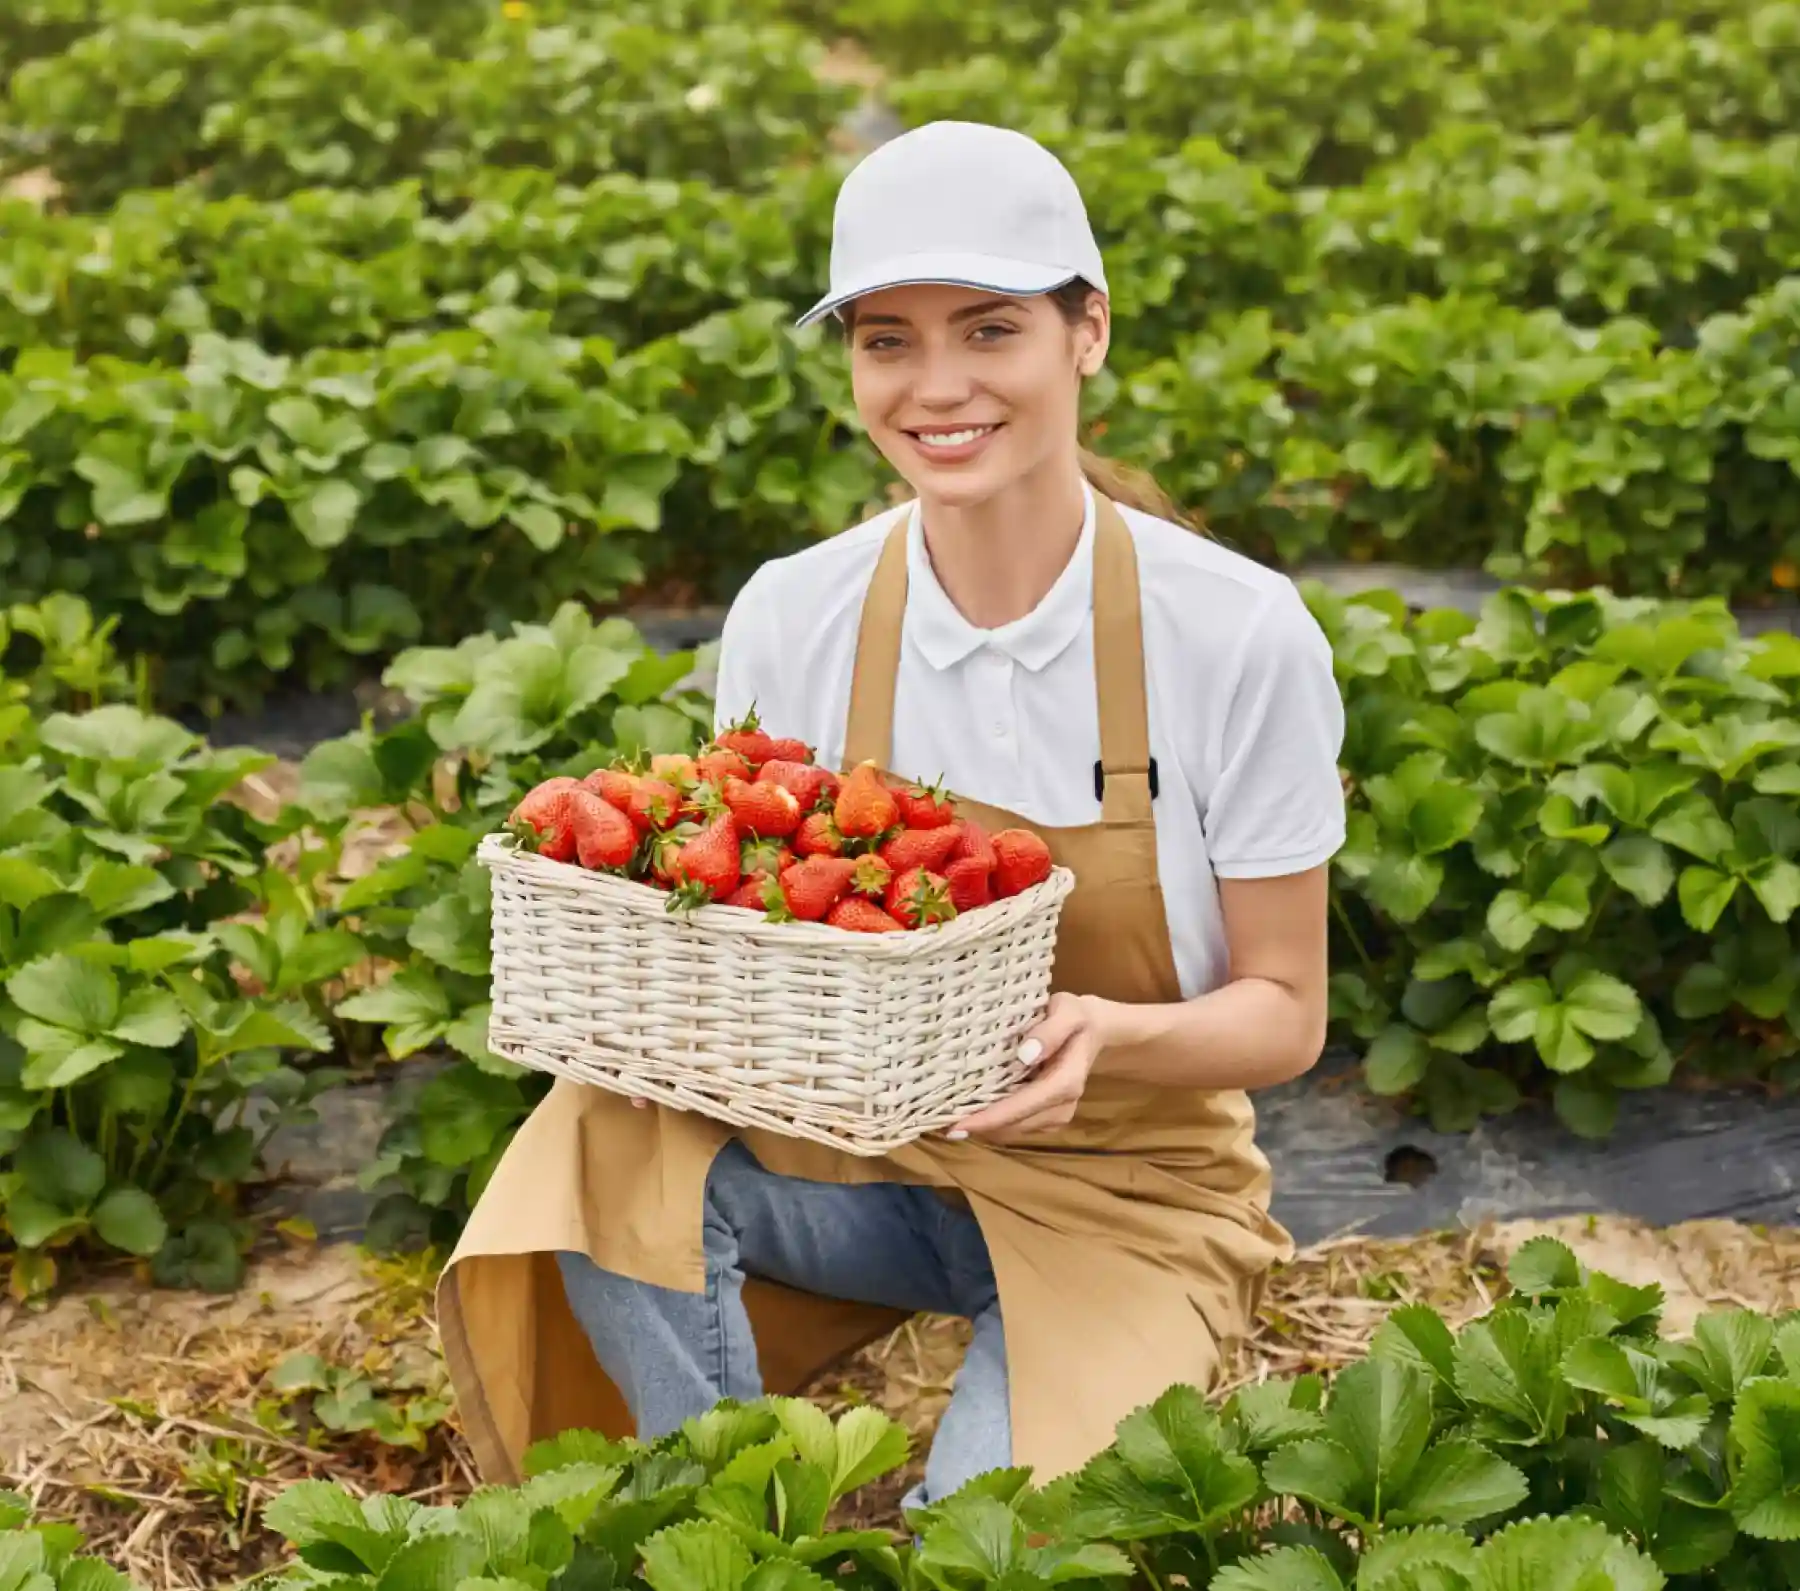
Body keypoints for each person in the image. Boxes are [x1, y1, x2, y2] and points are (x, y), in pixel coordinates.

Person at [437, 120, 1346, 1509]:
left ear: (1085, 333)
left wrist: (1110, 1036)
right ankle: (721, 1509)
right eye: (886, 341)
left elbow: (1286, 1011)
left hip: (1130, 1191)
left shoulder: (1231, 633)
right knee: (591, 1132)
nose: (937, 388)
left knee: (989, 1541)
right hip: (854, 1156)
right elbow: (748, 941)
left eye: (989, 332)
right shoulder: (795, 613)